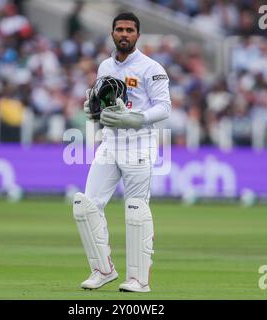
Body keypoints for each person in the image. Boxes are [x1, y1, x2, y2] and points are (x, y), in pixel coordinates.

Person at [73, 12, 171, 293]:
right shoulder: (105, 65)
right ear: (112, 33)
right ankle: (103, 270)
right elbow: (103, 101)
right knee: (86, 206)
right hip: (110, 144)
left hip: (139, 143)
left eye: (129, 30)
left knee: (136, 209)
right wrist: (93, 110)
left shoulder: (151, 68)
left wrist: (137, 118)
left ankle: (139, 280)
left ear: (137, 35)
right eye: (120, 30)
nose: (124, 34)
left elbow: (164, 107)